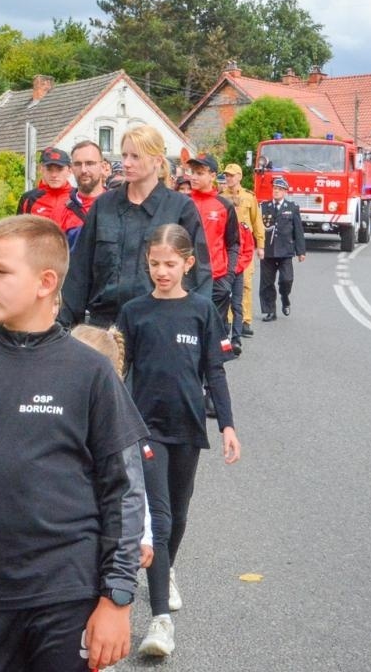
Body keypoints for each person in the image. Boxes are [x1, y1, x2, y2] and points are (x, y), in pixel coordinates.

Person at [0, 214, 148, 672]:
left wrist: (117, 599)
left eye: (1, 272)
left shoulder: (90, 372)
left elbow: (124, 489)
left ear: (45, 282)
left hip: (67, 594)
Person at [117, 224, 240, 658]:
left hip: (188, 427)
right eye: (154, 264)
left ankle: (164, 567)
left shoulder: (203, 310)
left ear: (188, 263)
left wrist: (227, 424)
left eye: (170, 264)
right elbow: (116, 369)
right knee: (161, 517)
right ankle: (160, 622)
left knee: (180, 513)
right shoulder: (133, 312)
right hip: (144, 429)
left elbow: (215, 371)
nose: (162, 272)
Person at [60, 124, 211, 328]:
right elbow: (79, 271)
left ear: (157, 160)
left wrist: (195, 328)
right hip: (104, 325)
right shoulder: (104, 206)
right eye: (124, 155)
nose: (126, 163)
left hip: (160, 326)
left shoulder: (180, 208)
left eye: (135, 157)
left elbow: (198, 273)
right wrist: (62, 326)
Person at [182, 153, 239, 350]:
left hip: (216, 279)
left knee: (214, 332)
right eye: (192, 173)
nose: (194, 177)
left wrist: (228, 278)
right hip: (187, 278)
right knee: (188, 332)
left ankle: (213, 375)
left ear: (213, 176)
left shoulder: (225, 206)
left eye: (199, 173)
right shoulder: (183, 203)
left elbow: (233, 244)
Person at [221, 164, 264, 346]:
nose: (229, 178)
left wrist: (260, 245)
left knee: (245, 284)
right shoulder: (221, 197)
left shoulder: (249, 197)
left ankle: (245, 321)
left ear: (239, 176)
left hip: (245, 247)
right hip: (228, 247)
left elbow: (257, 221)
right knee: (227, 285)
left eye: (231, 175)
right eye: (226, 175)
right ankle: (230, 320)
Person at [258, 176, 307, 321]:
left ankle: (285, 297)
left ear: (285, 191)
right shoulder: (264, 206)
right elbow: (258, 228)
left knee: (287, 279)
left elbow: (298, 230)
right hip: (268, 250)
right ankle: (270, 311)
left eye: (279, 189)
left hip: (286, 250)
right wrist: (258, 246)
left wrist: (301, 251)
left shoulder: (292, 208)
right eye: (275, 189)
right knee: (267, 283)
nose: (276, 191)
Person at [16, 146, 86, 246]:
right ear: (41, 169)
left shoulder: (80, 198)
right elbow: (18, 235)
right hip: (37, 258)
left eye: (59, 169)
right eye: (49, 169)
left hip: (72, 258)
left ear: (69, 170)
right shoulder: (29, 199)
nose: (54, 175)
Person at [68, 139, 107, 215]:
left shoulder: (118, 206)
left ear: (103, 166)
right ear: (71, 168)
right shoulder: (61, 211)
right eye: (78, 164)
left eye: (90, 163)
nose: (83, 170)